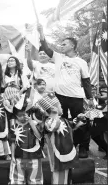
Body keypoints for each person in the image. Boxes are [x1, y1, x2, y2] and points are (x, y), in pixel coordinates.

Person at [37, 23, 94, 158]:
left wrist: (90, 98)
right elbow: (46, 47)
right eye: (61, 44)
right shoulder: (58, 57)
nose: (61, 46)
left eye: (64, 44)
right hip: (60, 97)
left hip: (76, 97)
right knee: (60, 121)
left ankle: (83, 147)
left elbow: (86, 81)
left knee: (80, 121)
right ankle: (67, 145)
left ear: (72, 46)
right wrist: (41, 33)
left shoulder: (81, 62)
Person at [37, 93, 82, 185]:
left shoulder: (63, 119)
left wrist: (79, 118)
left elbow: (72, 125)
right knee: (59, 178)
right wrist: (54, 114)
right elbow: (53, 127)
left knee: (67, 175)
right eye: (60, 106)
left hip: (68, 151)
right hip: (57, 155)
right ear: (54, 109)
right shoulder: (48, 121)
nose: (62, 107)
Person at [9, 106, 44, 185]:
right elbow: (12, 142)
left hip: (35, 157)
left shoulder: (35, 124)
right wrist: (12, 156)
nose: (22, 117)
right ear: (16, 116)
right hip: (19, 157)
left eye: (24, 115)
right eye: (20, 116)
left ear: (28, 114)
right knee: (17, 180)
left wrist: (31, 122)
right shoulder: (13, 126)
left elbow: (39, 136)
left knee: (35, 181)